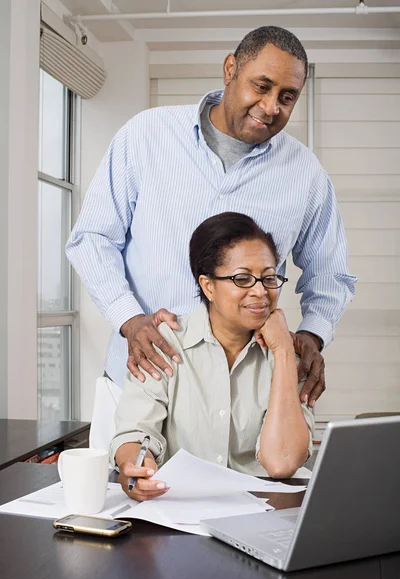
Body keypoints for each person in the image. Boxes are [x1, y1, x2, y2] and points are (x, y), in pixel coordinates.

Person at [66, 26, 356, 450]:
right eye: (262, 86)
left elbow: (331, 275)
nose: (271, 106)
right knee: (126, 507)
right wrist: (129, 319)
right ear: (230, 69)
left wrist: (310, 337)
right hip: (142, 380)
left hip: (243, 406)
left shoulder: (305, 174)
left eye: (288, 96)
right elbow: (91, 237)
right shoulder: (146, 136)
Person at [112, 213, 314, 501]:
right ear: (208, 286)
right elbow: (135, 432)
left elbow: (282, 463)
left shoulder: (291, 353)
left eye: (269, 278)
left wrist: (282, 353)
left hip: (265, 514)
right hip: (180, 511)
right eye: (242, 278)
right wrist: (135, 466)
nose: (260, 291)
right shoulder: (163, 344)